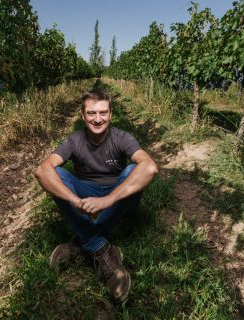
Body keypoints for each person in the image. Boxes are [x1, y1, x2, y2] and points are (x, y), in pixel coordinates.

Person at [34, 89, 158, 303]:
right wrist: (75, 201)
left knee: (131, 171)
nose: (98, 119)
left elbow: (150, 168)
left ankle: (81, 243)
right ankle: (102, 249)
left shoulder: (122, 137)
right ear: (82, 116)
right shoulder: (74, 140)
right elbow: (41, 170)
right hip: (84, 193)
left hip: (116, 195)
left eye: (103, 113)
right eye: (91, 113)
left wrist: (107, 200)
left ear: (111, 114)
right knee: (56, 174)